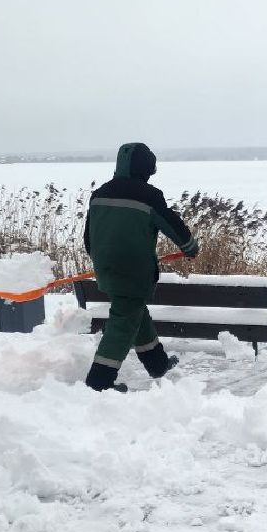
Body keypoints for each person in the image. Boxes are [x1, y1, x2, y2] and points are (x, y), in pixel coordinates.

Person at [83, 142, 199, 392]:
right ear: (146, 169)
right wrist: (189, 247)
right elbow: (172, 225)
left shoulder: (99, 194)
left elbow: (88, 238)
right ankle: (98, 382)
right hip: (134, 272)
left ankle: (157, 364)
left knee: (134, 312)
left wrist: (102, 260)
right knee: (123, 322)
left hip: (105, 268)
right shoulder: (149, 196)